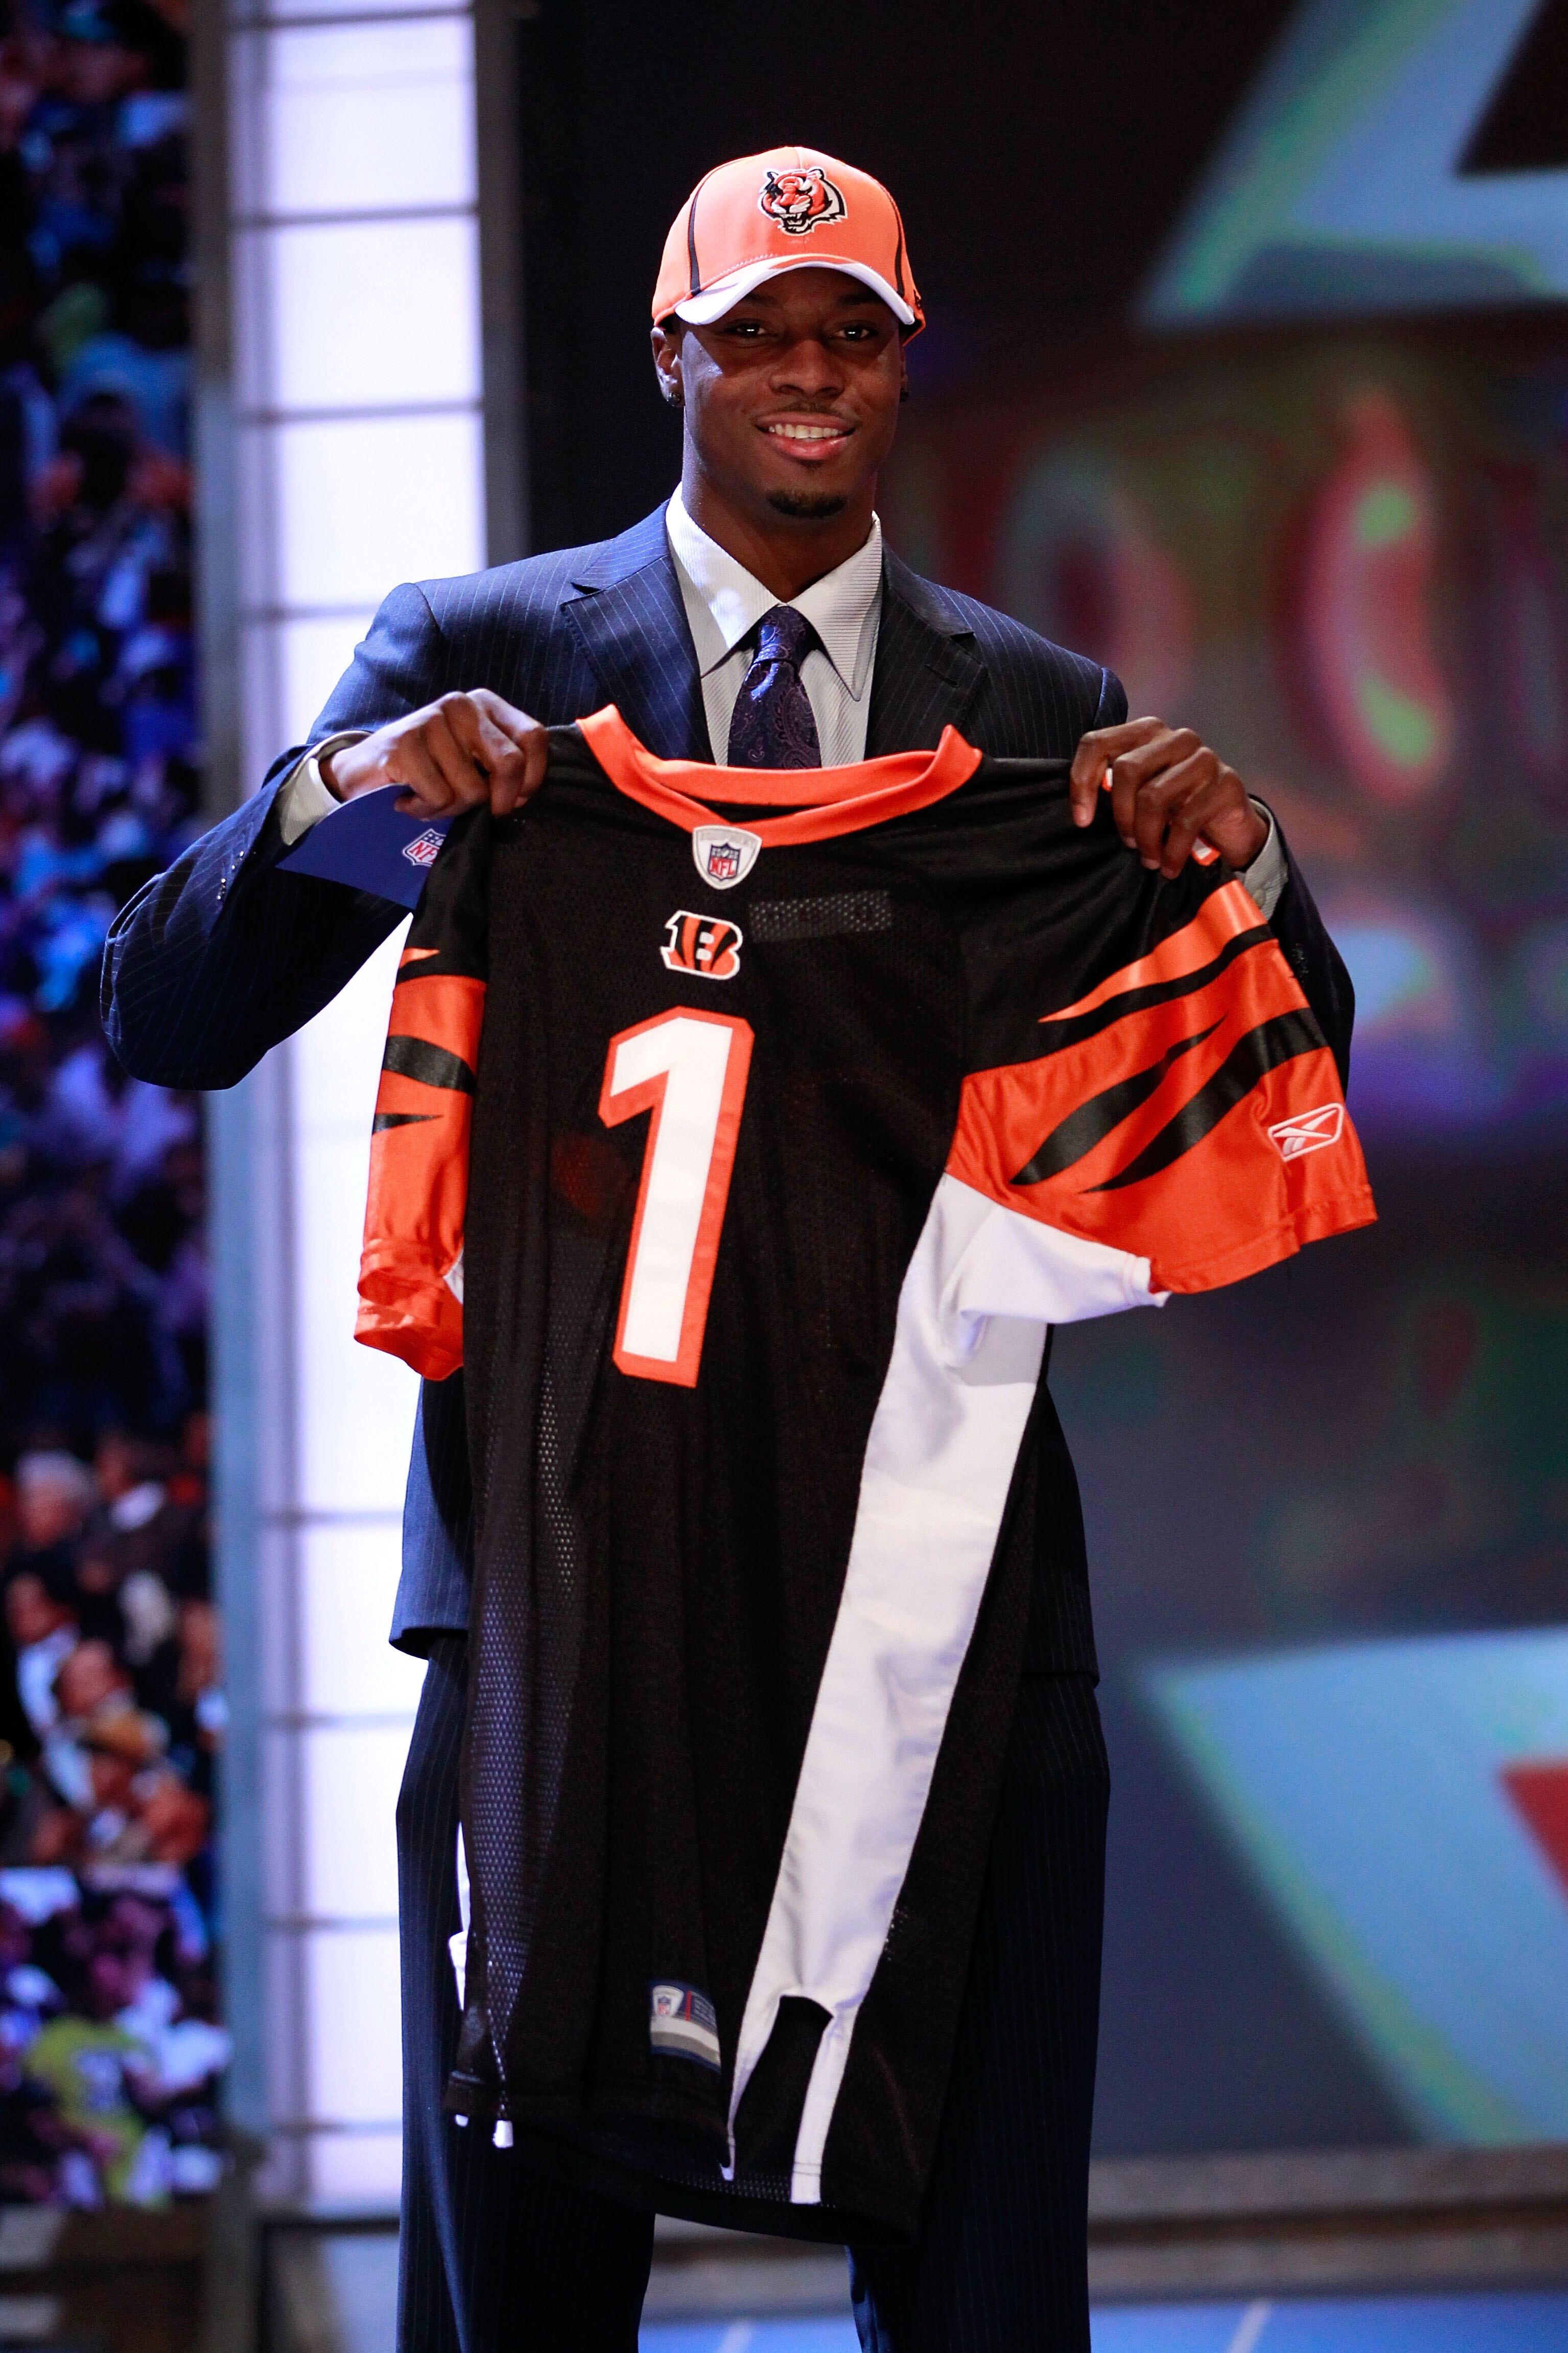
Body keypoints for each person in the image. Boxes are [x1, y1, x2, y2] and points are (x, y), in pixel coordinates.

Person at [102, 148, 1353, 2353]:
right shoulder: (476, 663)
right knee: (530, 2298)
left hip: (934, 1619)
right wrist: (362, 792)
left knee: (976, 2298)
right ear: (669, 354)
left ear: (901, 359)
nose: (806, 373)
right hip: (565, 1606)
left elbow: (1275, 1071)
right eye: (759, 332)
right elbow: (174, 1010)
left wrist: (1248, 855)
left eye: (848, 334)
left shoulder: (1040, 714)